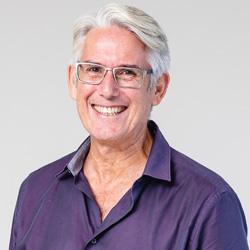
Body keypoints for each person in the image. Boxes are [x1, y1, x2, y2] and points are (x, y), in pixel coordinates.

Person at [9, 3, 248, 250]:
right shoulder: (35, 192)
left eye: (127, 73)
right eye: (93, 69)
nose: (107, 90)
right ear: (73, 81)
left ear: (158, 88)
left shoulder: (209, 204)